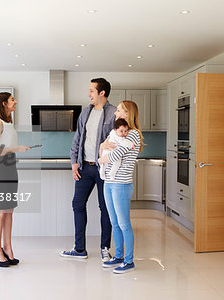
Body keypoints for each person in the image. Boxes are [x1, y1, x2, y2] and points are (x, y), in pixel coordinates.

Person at [60, 78, 116, 261]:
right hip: (84, 167)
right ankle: (79, 249)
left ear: (102, 93)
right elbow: (77, 139)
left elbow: (118, 140)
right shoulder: (85, 113)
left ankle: (105, 248)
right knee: (77, 204)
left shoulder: (114, 113)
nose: (88, 94)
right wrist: (74, 162)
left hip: (104, 169)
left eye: (91, 90)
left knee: (105, 208)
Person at [98, 100, 143, 274]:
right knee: (114, 222)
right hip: (109, 182)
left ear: (127, 113)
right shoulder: (116, 132)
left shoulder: (131, 134)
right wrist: (103, 148)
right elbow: (103, 149)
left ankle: (129, 260)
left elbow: (114, 154)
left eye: (118, 110)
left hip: (121, 185)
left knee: (124, 224)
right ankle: (118, 256)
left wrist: (101, 157)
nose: (115, 113)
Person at [0, 92, 30, 267]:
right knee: (0, 210)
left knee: (9, 210)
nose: (16, 102)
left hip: (10, 167)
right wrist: (17, 148)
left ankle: (8, 248)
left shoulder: (8, 123)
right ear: (4, 103)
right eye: (12, 100)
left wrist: (15, 150)